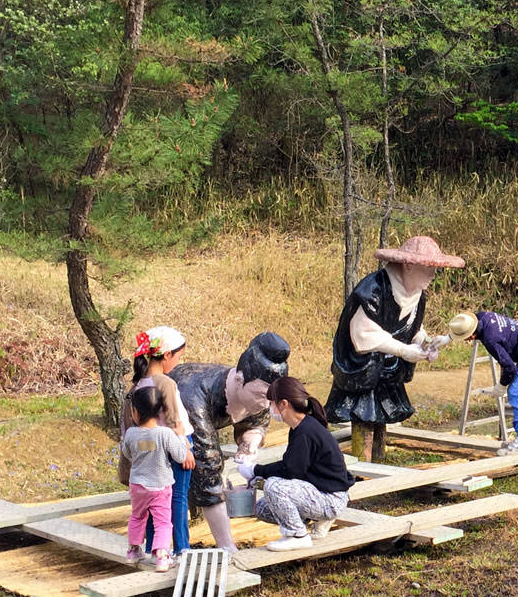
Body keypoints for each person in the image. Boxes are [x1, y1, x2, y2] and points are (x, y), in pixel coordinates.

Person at [326, 235, 466, 462]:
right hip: (363, 369)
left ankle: (377, 460)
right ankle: (362, 465)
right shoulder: (372, 290)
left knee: (381, 415)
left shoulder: (419, 294)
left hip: (388, 370)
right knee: (363, 414)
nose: (432, 275)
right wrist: (403, 350)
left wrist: (425, 342)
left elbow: (412, 329)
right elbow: (363, 335)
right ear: (409, 266)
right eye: (429, 268)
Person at [169, 332, 291, 553]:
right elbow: (207, 464)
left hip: (192, 423)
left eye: (271, 397)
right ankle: (212, 543)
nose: (266, 404)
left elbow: (256, 424)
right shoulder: (192, 396)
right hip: (159, 424)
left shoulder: (253, 394)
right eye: (263, 395)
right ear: (238, 380)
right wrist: (227, 544)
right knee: (203, 467)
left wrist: (249, 445)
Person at [237, 377, 356, 552]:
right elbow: (294, 467)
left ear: (283, 404)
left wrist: (255, 470)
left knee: (274, 487)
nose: (270, 408)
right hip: (320, 491)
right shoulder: (300, 427)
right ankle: (311, 523)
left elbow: (290, 470)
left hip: (331, 498)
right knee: (263, 508)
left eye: (272, 403)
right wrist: (257, 472)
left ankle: (297, 536)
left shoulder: (306, 431)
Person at [120, 327, 196, 556]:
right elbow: (174, 420)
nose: (178, 362)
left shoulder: (136, 386)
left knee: (153, 507)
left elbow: (128, 427)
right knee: (178, 499)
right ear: (166, 355)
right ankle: (182, 549)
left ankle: (155, 550)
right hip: (174, 444)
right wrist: (187, 449)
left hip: (149, 452)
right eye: (178, 357)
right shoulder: (165, 383)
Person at [447, 310, 518, 454]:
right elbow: (467, 325)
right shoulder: (483, 316)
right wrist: (447, 338)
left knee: (516, 393)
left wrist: (501, 386)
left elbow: (509, 367)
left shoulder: (490, 340)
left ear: (471, 336)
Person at [120, 385, 194, 572]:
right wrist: (181, 437)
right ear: (161, 411)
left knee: (137, 517)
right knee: (162, 522)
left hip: (137, 485)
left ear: (135, 412)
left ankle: (134, 550)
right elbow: (179, 455)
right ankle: (161, 557)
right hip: (160, 486)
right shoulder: (165, 434)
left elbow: (127, 453)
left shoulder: (131, 434)